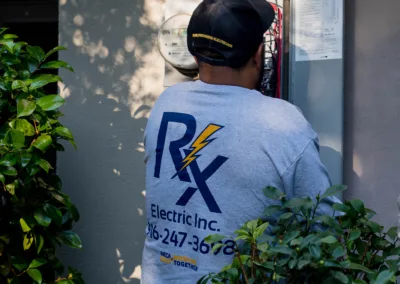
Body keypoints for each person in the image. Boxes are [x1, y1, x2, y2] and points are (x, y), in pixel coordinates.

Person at [141, 0, 340, 282]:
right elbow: (325, 227)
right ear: (258, 54)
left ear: (195, 54)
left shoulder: (166, 104)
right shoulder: (282, 122)